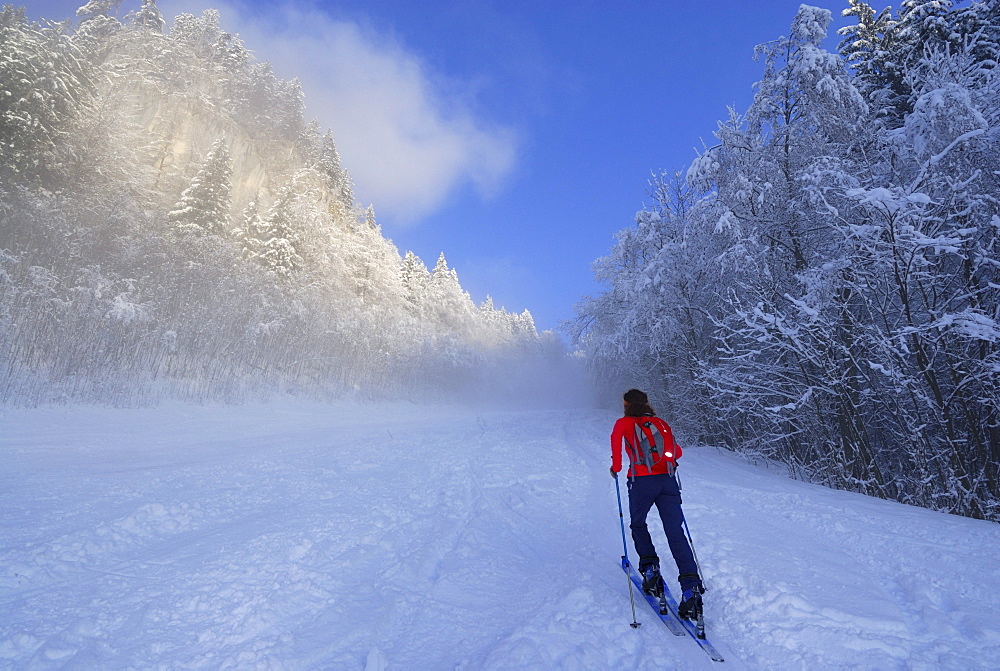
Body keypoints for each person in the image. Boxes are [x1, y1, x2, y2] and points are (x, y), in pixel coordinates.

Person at [610, 388, 704, 620]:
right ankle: (691, 589)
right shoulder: (659, 422)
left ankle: (650, 569)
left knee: (638, 524)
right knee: (675, 532)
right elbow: (677, 451)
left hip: (641, 482)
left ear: (626, 404)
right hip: (668, 482)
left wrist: (615, 469)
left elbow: (617, 459)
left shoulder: (623, 424)